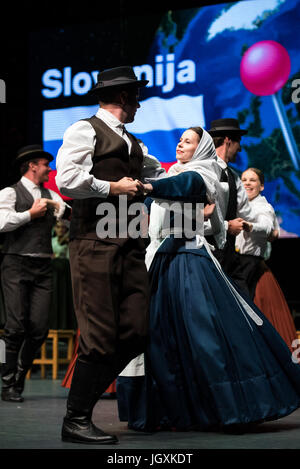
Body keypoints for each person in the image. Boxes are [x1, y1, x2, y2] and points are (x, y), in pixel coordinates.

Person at [117, 127, 300, 433]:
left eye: (187, 141)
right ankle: (170, 410)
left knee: (203, 333)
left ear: (200, 149)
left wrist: (150, 189)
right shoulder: (169, 174)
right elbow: (156, 197)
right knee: (159, 338)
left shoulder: (204, 173)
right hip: (160, 260)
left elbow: (186, 186)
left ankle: (224, 406)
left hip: (189, 260)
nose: (179, 144)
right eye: (179, 140)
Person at [55, 65, 165, 445]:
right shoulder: (84, 129)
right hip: (94, 243)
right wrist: (110, 187)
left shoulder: (134, 144)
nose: (139, 104)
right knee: (100, 337)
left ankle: (80, 408)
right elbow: (66, 179)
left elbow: (157, 174)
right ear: (123, 97)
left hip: (131, 244)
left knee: (136, 332)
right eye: (136, 97)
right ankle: (76, 418)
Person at [0, 144, 66, 402]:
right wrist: (29, 213)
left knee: (39, 329)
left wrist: (54, 206)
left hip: (43, 267)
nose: (48, 169)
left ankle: (18, 376)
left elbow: (68, 216)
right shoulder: (10, 192)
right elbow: (2, 222)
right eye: (45, 164)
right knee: (15, 327)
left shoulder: (50, 195)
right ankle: (9, 383)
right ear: (32, 166)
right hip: (16, 263)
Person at [235, 167, 298, 352]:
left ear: (261, 186)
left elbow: (266, 227)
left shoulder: (264, 207)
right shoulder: (239, 206)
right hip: (237, 264)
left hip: (250, 267)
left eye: (252, 180)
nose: (247, 183)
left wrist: (249, 225)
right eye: (244, 179)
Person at [206, 118, 254, 288]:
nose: (239, 148)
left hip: (229, 255)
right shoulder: (205, 172)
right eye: (238, 142)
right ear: (228, 140)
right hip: (207, 254)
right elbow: (195, 215)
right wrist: (227, 226)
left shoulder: (234, 177)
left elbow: (247, 213)